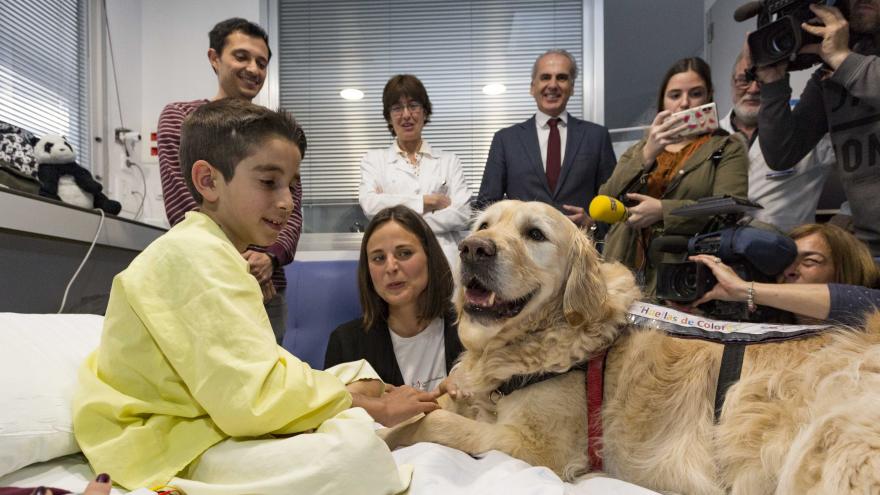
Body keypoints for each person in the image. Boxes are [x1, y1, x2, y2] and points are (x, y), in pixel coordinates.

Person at [73, 100, 430, 494]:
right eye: (268, 182)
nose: (287, 201)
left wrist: (358, 393)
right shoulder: (192, 255)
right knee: (352, 455)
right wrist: (373, 407)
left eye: (292, 184)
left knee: (358, 372)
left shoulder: (218, 252)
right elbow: (251, 400)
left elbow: (257, 367)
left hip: (211, 406)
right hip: (161, 438)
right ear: (208, 181)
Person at [157, 17, 297, 344]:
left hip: (268, 288)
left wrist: (270, 256)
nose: (253, 68)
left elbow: (291, 209)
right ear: (214, 58)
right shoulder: (182, 119)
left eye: (261, 62)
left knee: (271, 383)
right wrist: (236, 264)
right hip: (206, 279)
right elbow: (185, 204)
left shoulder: (277, 133)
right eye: (242, 56)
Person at [596, 57, 748, 297]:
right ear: (662, 102)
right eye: (675, 95)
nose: (684, 103)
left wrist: (663, 211)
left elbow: (730, 208)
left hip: (684, 272)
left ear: (708, 96)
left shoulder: (727, 147)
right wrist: (647, 155)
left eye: (695, 93)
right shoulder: (641, 149)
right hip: (623, 268)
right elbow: (604, 199)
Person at [753, 0, 880, 257]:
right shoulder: (831, 73)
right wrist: (773, 84)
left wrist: (842, 58)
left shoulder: (842, 63)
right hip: (868, 248)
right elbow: (782, 153)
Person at [325, 205, 463, 389]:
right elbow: (334, 413)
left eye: (404, 253)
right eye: (378, 258)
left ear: (430, 257)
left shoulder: (469, 326)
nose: (391, 267)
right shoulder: (346, 343)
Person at [476, 49, 616, 228]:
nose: (553, 85)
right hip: (523, 252)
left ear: (572, 87)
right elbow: (486, 206)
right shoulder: (505, 140)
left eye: (562, 78)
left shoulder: (597, 137)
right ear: (532, 87)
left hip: (578, 249)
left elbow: (613, 203)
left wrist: (593, 223)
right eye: (545, 77)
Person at [359, 75, 472, 267]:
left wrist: (395, 213)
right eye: (397, 108)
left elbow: (463, 212)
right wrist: (426, 202)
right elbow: (371, 205)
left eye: (413, 105)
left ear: (425, 112)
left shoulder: (449, 161)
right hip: (397, 263)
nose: (406, 115)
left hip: (445, 261)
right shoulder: (374, 161)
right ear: (388, 116)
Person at [721, 51, 834, 233]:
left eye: (761, 80)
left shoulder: (806, 127)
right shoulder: (711, 137)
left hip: (789, 251)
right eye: (744, 80)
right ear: (732, 83)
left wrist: (847, 217)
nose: (753, 89)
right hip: (720, 251)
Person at [692, 223, 880, 325]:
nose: (789, 271)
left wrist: (743, 289)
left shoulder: (869, 321)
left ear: (846, 270)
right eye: (785, 262)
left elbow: (867, 303)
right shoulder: (767, 323)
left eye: (809, 261)